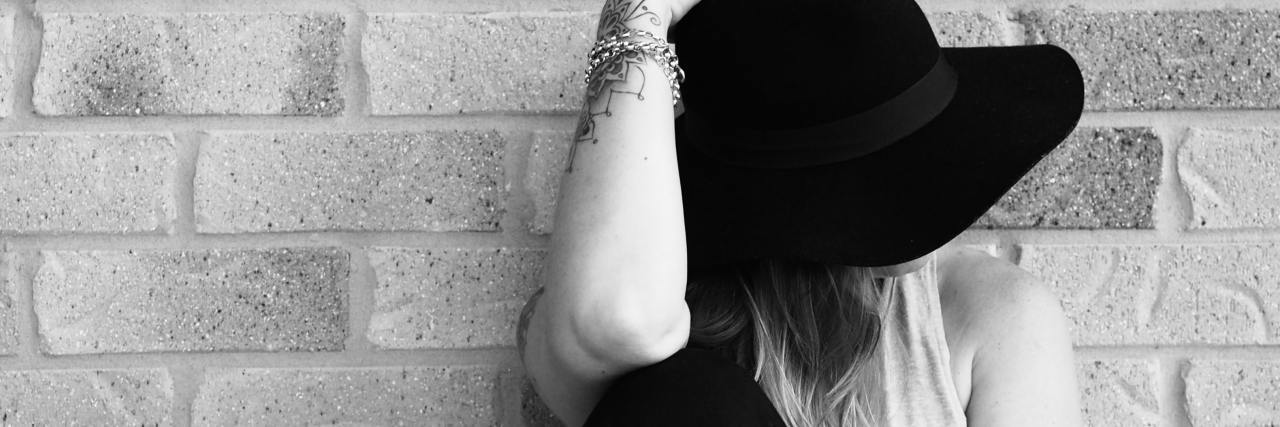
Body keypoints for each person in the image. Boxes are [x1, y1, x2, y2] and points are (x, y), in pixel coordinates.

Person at [518, 0, 1088, 425]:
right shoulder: (639, 303)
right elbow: (618, 320)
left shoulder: (991, 318)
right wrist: (637, 15)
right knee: (691, 400)